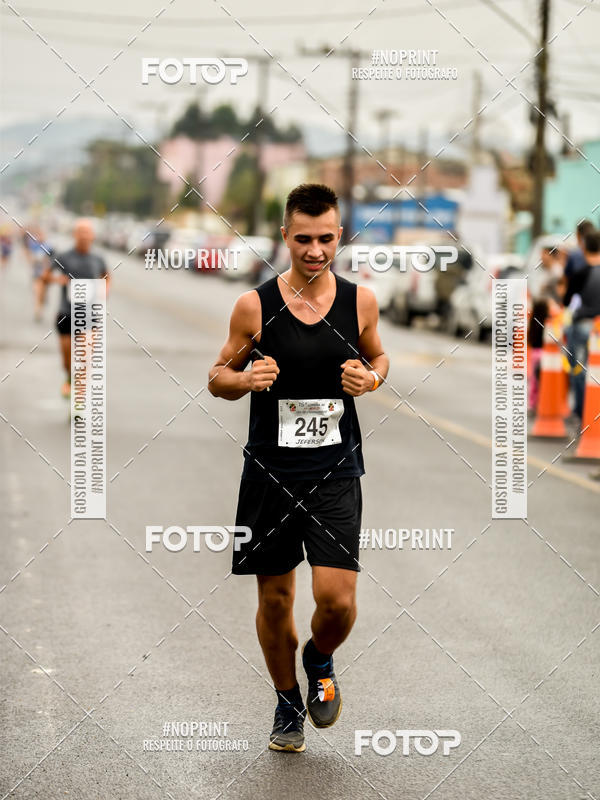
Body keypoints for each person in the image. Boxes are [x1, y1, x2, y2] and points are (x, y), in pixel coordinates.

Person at [208, 184, 389, 753]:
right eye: (304, 238)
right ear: (285, 236)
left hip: (336, 470)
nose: (315, 250)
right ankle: (287, 701)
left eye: (326, 238)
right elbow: (217, 376)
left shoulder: (360, 302)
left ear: (340, 237)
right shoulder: (254, 306)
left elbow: (378, 355)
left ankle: (319, 657)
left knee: (336, 600)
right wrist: (244, 380)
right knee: (277, 601)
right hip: (270, 473)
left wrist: (374, 377)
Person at [42, 219, 110, 397]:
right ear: (74, 235)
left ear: (93, 236)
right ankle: (69, 378)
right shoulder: (64, 257)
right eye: (80, 232)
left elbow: (107, 276)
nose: (84, 236)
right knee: (67, 360)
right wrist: (59, 280)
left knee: (85, 357)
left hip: (89, 315)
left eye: (87, 232)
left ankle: (78, 398)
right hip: (66, 314)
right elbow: (45, 276)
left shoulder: (98, 258)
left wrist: (104, 292)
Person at [564, 230, 600, 425]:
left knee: (579, 369)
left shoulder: (581, 273)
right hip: (598, 326)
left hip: (584, 324)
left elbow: (566, 300)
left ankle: (582, 411)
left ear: (584, 247)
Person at [26, 226, 53, 321]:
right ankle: (37, 310)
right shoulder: (34, 244)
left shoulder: (49, 246)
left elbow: (53, 260)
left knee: (43, 293)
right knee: (37, 291)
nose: (40, 237)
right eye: (39, 235)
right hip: (37, 272)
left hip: (46, 273)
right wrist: (33, 260)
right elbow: (30, 256)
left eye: (42, 235)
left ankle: (40, 306)